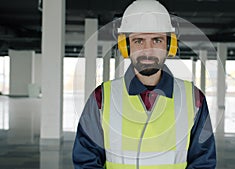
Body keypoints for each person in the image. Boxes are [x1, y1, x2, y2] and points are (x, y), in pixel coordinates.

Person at [72, 0, 216, 168]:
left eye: (157, 40)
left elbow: (203, 162)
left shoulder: (194, 99)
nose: (148, 50)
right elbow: (86, 160)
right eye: (139, 41)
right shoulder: (101, 98)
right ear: (125, 46)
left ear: (170, 45)